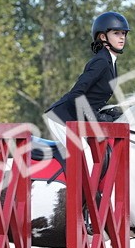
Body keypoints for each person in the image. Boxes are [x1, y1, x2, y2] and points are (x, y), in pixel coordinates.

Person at [44, 11, 127, 154]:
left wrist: (107, 110)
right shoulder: (101, 61)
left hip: (76, 120)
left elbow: (93, 98)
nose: (122, 37)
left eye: (123, 33)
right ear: (102, 36)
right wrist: (96, 117)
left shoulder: (110, 61)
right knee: (87, 158)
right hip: (61, 119)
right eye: (116, 33)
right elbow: (75, 95)